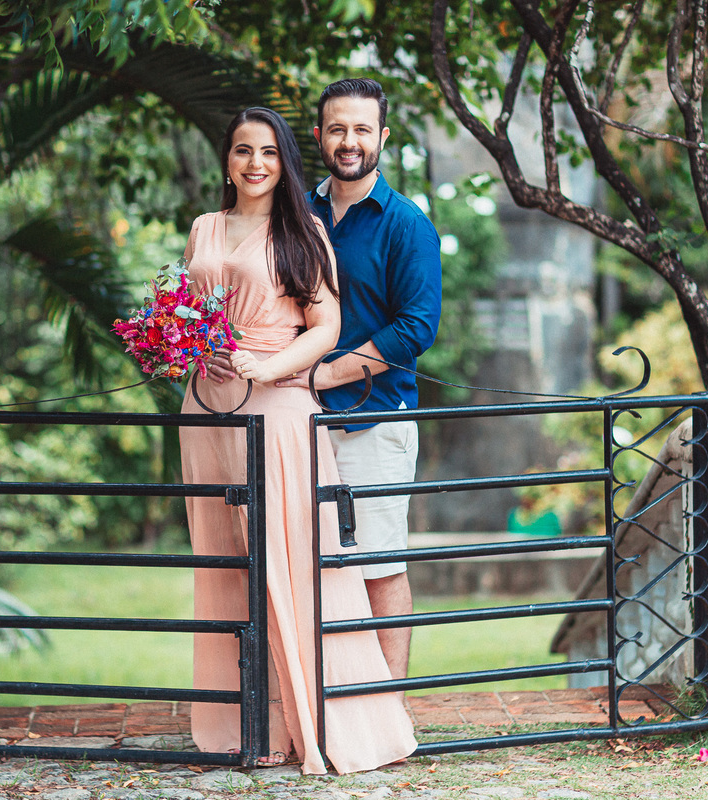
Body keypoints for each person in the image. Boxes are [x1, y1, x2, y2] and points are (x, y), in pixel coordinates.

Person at [180, 107, 417, 775]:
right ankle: (246, 724)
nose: (255, 163)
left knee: (291, 563)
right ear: (227, 160)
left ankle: (316, 723)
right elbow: (191, 309)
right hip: (206, 408)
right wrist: (178, 343)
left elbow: (326, 325)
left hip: (276, 406)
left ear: (285, 162)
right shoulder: (203, 227)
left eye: (268, 152)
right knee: (225, 563)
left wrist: (269, 367)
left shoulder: (301, 231)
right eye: (242, 150)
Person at [276, 78, 442, 682]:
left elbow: (415, 327)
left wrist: (323, 375)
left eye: (362, 129)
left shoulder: (406, 224)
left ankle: (389, 706)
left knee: (379, 567)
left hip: (373, 422)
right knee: (302, 568)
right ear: (319, 135)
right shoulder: (293, 215)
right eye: (338, 129)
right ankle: (321, 705)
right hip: (294, 421)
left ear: (383, 137)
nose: (350, 141)